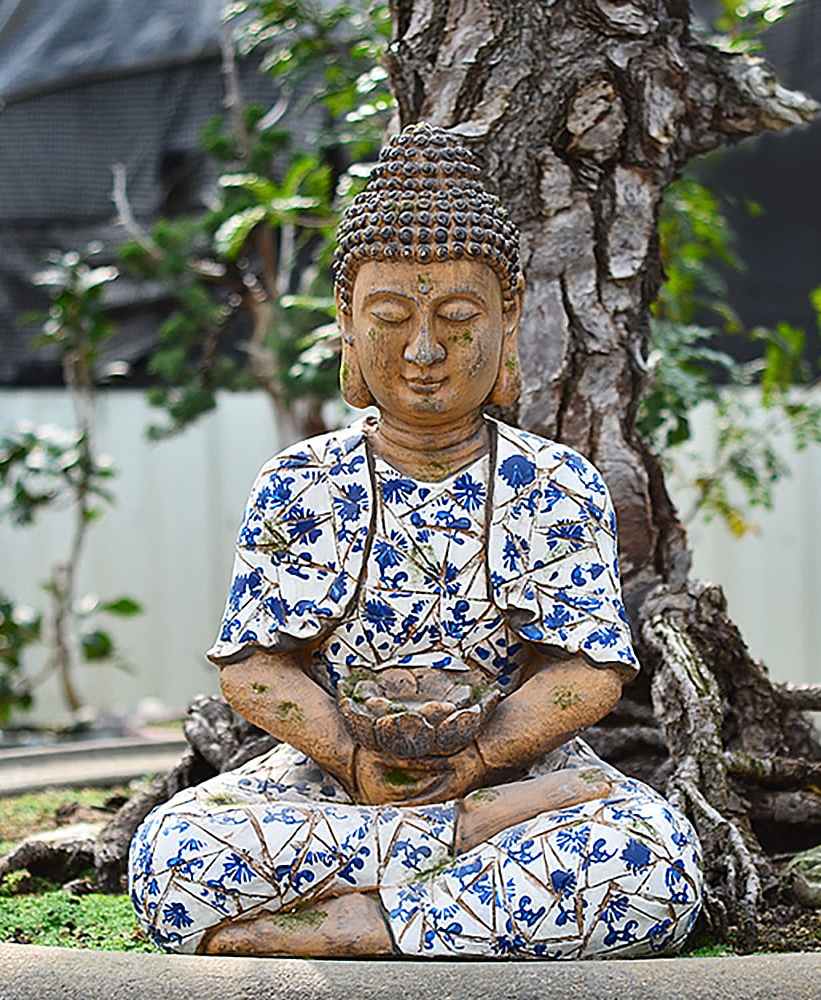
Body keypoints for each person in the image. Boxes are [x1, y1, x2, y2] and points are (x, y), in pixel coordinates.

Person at [128, 123, 702, 959]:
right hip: (338, 779)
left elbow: (587, 673)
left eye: (458, 317)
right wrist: (352, 761)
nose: (425, 350)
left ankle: (356, 925)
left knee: (652, 862)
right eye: (390, 317)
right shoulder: (300, 481)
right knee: (173, 858)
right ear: (347, 326)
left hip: (513, 771)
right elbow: (253, 667)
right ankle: (464, 862)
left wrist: (480, 762)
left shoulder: (556, 481)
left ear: (510, 319)